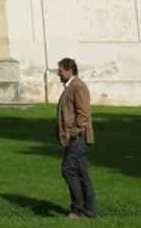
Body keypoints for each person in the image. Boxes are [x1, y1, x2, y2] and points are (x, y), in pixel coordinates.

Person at [56, 57, 97, 219]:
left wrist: (73, 132)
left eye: (60, 70)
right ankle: (88, 209)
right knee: (80, 172)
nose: (58, 73)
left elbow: (83, 113)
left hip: (77, 138)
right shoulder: (70, 86)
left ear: (69, 70)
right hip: (73, 138)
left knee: (68, 170)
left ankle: (78, 208)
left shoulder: (78, 86)